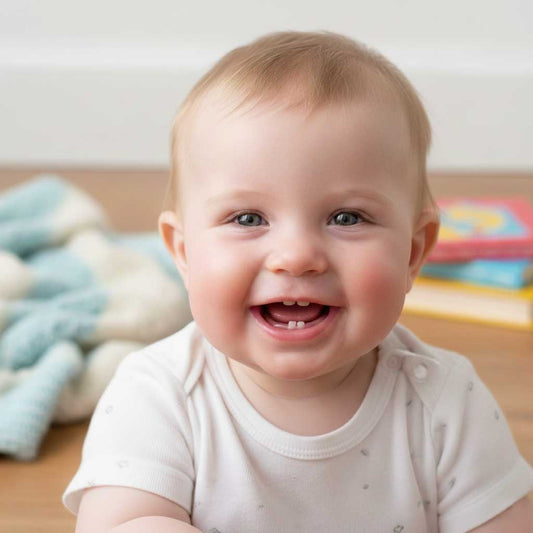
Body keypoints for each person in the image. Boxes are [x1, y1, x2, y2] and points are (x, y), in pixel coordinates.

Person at [63, 31, 533, 532]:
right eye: (247, 219)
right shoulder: (159, 393)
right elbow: (123, 523)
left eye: (347, 218)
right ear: (184, 250)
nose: (296, 257)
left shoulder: (443, 399)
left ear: (413, 252)